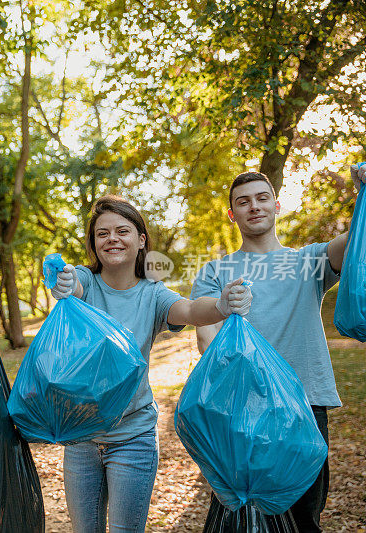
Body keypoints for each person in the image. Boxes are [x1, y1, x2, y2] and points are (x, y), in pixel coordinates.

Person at [49, 195, 252, 533]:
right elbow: (73, 284)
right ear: (93, 243)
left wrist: (221, 305)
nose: (112, 239)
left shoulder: (154, 294)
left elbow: (188, 311)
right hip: (81, 437)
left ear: (141, 240)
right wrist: (64, 282)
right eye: (102, 234)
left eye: (122, 231)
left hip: (133, 437)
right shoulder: (85, 281)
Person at [191, 168, 366, 533]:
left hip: (303, 407)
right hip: (238, 410)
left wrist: (363, 193)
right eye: (243, 201)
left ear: (276, 205)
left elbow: (354, 240)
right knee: (240, 517)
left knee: (303, 519)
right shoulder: (216, 270)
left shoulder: (307, 262)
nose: (253, 206)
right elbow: (206, 337)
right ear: (232, 214)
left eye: (261, 198)